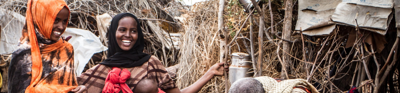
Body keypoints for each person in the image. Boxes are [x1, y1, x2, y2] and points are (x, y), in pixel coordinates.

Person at [78, 13, 227, 93]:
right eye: (122, 29)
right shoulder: (102, 70)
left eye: (133, 31)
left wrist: (210, 73)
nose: (128, 35)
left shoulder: (150, 63)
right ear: (112, 33)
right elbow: (65, 87)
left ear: (139, 35)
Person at [8, 0, 85, 92]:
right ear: (40, 18)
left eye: (64, 21)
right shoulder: (22, 55)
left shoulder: (66, 49)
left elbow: (67, 86)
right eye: (56, 20)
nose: (61, 26)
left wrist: (79, 89)